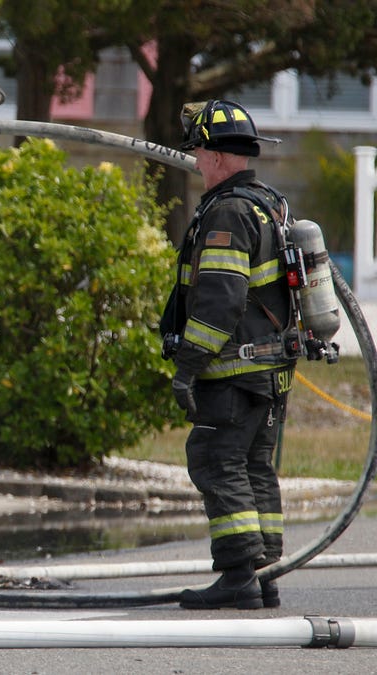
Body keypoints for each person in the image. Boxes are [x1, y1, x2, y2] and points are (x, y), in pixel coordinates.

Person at [161, 99, 296, 610]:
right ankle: (264, 574)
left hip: (235, 372)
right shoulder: (269, 204)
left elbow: (218, 301)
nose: (194, 160)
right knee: (254, 466)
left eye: (198, 151)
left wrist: (187, 367)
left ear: (217, 156)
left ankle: (238, 574)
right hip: (269, 371)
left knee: (217, 460)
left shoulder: (228, 211)